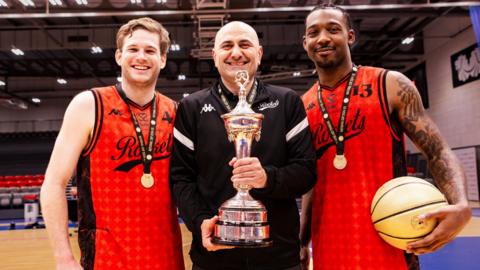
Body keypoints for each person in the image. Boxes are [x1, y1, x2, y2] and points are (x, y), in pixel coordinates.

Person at [299, 4, 472, 270]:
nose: (322, 38)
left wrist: (460, 204)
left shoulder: (390, 85)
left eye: (333, 29)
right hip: (329, 245)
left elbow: (437, 150)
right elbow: (311, 181)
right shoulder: (303, 106)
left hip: (390, 240)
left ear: (350, 36)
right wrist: (302, 240)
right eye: (314, 33)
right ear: (305, 43)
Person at [170, 21, 317, 270]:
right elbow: (181, 179)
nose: (236, 52)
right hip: (213, 258)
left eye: (244, 44)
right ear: (215, 56)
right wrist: (201, 221)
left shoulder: (287, 102)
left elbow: (306, 172)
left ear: (258, 54)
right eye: (227, 45)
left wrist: (266, 177)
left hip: (279, 258)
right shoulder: (191, 108)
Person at [40, 17, 184, 270]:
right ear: (119, 56)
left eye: (150, 50)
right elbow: (54, 183)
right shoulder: (89, 105)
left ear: (162, 59)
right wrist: (63, 258)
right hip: (106, 258)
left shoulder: (175, 112)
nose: (141, 57)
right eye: (133, 49)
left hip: (166, 255)